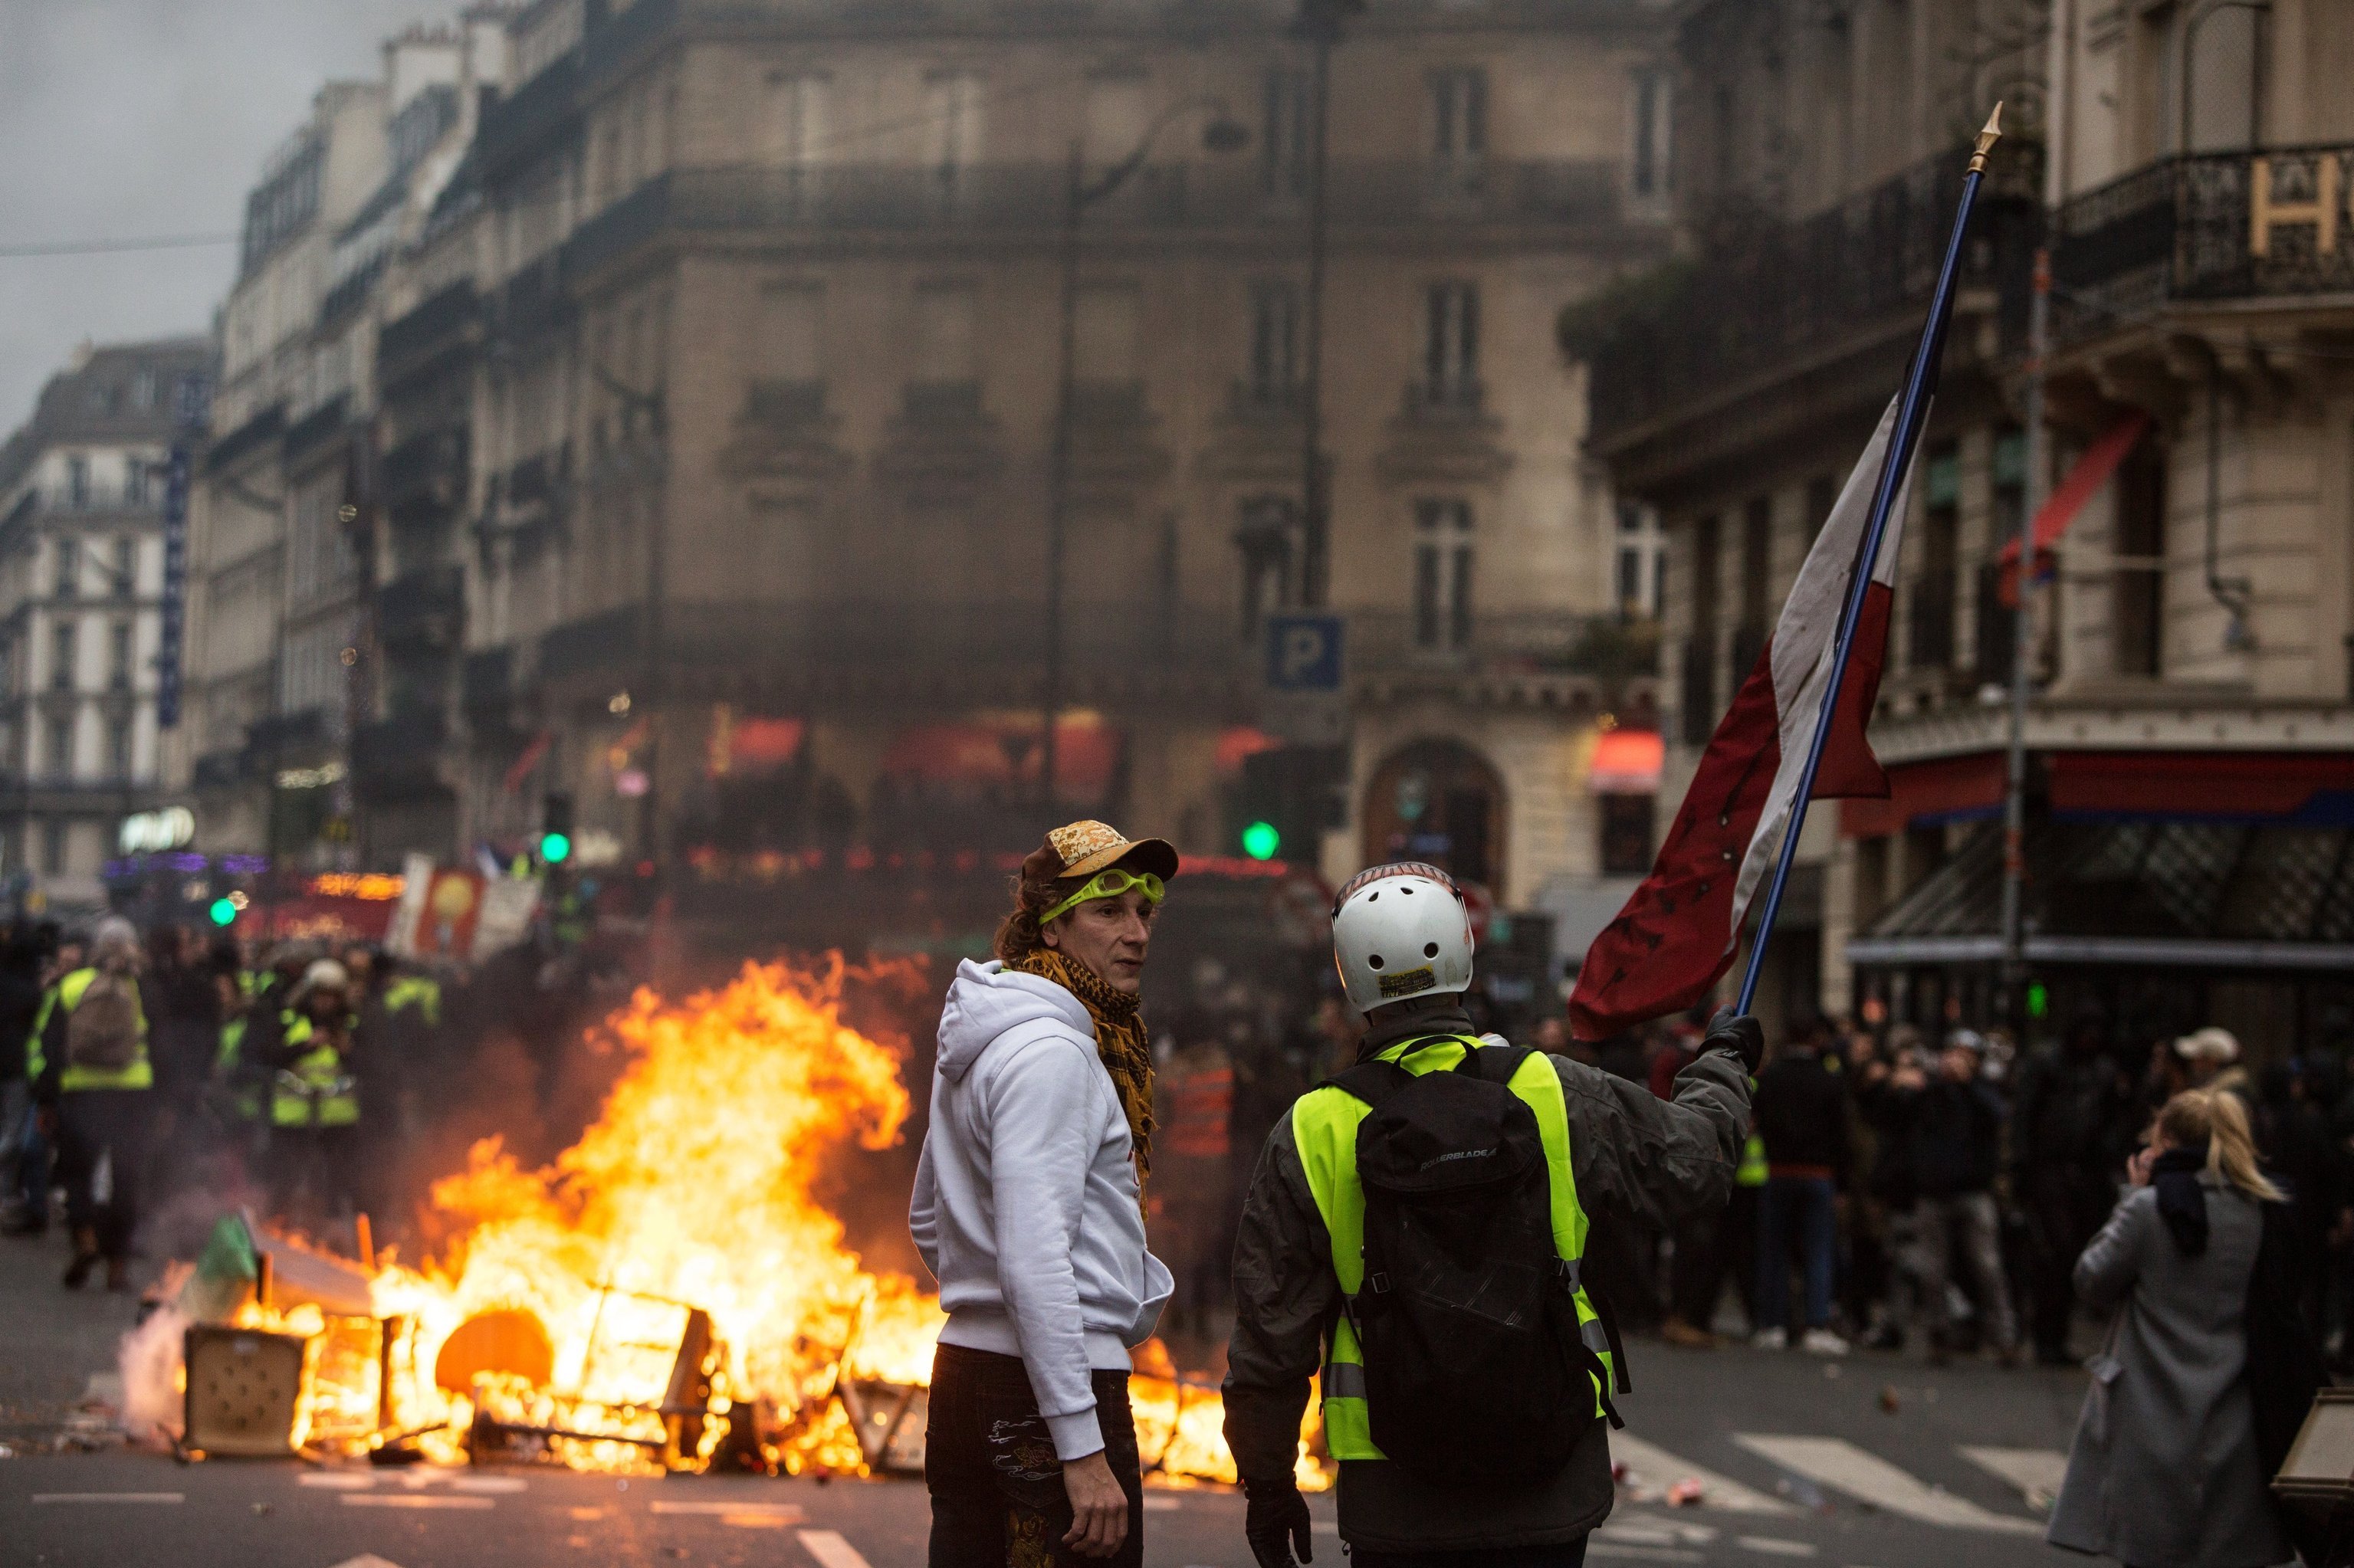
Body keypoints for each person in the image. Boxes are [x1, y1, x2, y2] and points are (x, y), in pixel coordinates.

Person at [1221, 861, 1758, 1567]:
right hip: (1551, 1469)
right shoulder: (1552, 1090)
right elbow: (1697, 1167)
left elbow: (1271, 1330)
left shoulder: (1314, 1127)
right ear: (1465, 960)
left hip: (1395, 1483)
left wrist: (1267, 1482)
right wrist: (1722, 1063)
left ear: (1350, 981)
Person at [910, 820, 1177, 1568]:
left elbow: (928, 1217)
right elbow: (1034, 1257)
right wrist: (1080, 1445)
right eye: (1107, 910)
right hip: (1044, 1390)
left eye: (1143, 911)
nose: (1135, 933)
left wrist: (983, 1302)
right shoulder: (1055, 1052)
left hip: (965, 1374)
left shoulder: (986, 1036)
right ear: (1052, 925)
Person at [2048, 1088, 2316, 1568]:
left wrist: (2133, 1193)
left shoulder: (2148, 1210)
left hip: (2149, 1413)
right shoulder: (2261, 1210)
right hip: (2235, 1414)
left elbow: (2092, 1279)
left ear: (2165, 1142)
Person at [31, 918, 153, 1291]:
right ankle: (118, 1265)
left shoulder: (71, 986)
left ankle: (85, 1239)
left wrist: (46, 1099)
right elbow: (163, 1048)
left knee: (77, 1174)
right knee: (126, 1179)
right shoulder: (142, 990)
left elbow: (50, 1047)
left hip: (81, 1094)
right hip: (132, 1095)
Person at [1883, 1031, 2017, 1363]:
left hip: (1973, 1191)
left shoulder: (1983, 1089)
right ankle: (1939, 1335)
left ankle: (2005, 1338)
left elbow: (1996, 1115)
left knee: (1987, 1266)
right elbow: (1898, 1117)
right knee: (1933, 1271)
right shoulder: (1932, 1090)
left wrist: (1967, 1084)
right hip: (1934, 1191)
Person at [2008, 1015, 2134, 1365]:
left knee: (2069, 1254)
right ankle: (2046, 1334)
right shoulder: (2051, 1064)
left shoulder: (2098, 1072)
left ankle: (2053, 1334)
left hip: (2080, 1172)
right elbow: (2026, 1118)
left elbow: (2112, 1118)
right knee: (2054, 1253)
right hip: (2053, 1171)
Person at [1751, 1016, 1850, 1353]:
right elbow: (1841, 1133)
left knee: (1774, 1250)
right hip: (1818, 1173)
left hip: (1778, 1171)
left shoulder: (1771, 1078)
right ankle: (1815, 1322)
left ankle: (1773, 1323)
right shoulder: (1828, 1079)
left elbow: (1759, 1121)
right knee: (1819, 1251)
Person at [268, 959, 363, 1231]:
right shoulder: (289, 1020)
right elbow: (269, 1055)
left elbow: (371, 1064)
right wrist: (305, 1046)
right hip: (292, 1117)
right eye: (320, 996)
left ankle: (331, 1232)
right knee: (286, 1178)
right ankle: (279, 1228)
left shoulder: (352, 1026)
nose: (325, 1003)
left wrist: (346, 1051)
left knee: (336, 1181)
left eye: (332, 997)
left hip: (338, 1118)